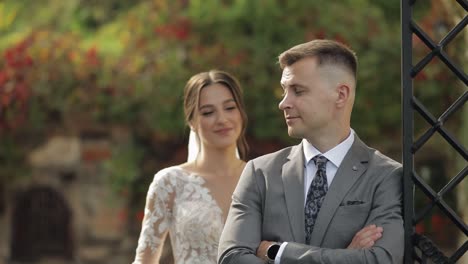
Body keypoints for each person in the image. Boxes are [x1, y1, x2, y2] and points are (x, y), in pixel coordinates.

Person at [218, 39, 404, 264]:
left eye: (298, 91)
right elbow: (232, 258)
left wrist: (278, 253)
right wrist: (347, 257)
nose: (283, 103)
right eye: (285, 91)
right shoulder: (260, 172)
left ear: (341, 95)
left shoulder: (386, 176)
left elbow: (380, 260)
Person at [133, 70, 249, 264]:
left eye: (229, 108)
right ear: (192, 121)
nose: (222, 119)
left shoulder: (263, 177)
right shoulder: (170, 182)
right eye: (208, 112)